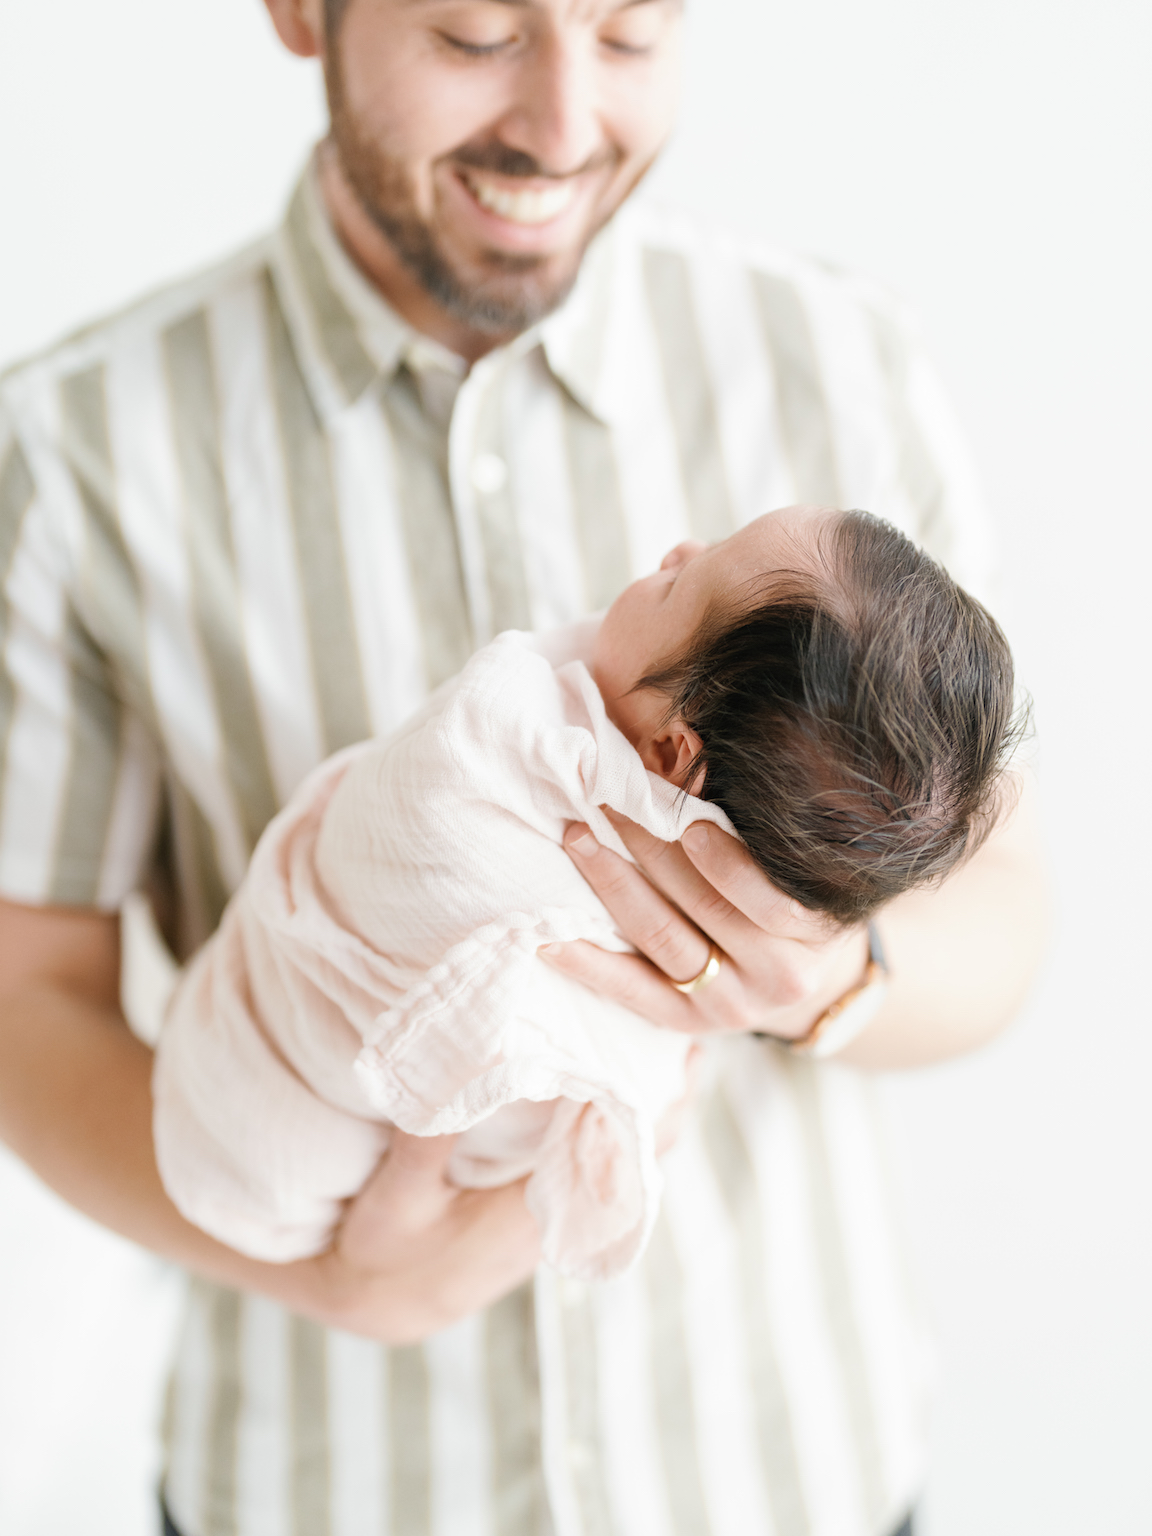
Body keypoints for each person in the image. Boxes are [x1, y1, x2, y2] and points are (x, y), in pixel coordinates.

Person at [0, 0, 1048, 1532]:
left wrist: (832, 982)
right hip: (327, 1481)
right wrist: (318, 1270)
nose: (562, 127)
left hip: (784, 1473)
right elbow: (25, 990)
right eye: (478, 34)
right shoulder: (77, 452)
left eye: (632, 36)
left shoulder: (836, 363)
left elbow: (1005, 891)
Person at [153, 506, 1024, 1286]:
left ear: (670, 757)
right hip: (305, 1219)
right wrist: (355, 1292)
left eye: (684, 577)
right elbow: (423, 816)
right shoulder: (511, 749)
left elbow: (1010, 904)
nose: (678, 545)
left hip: (772, 1355)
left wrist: (830, 983)